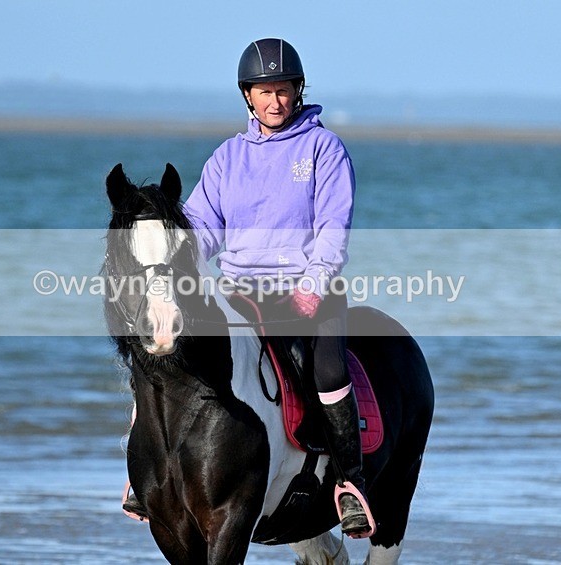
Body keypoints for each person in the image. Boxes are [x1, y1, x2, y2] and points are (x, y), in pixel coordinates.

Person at [182, 37, 373, 537]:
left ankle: (350, 485)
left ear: (297, 90)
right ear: (248, 95)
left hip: (310, 289)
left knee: (329, 373)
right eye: (264, 91)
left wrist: (312, 285)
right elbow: (202, 224)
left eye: (283, 90)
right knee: (172, 350)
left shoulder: (323, 148)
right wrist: (174, 257)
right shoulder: (227, 157)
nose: (274, 101)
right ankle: (151, 471)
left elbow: (334, 227)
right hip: (240, 290)